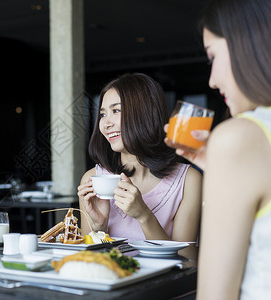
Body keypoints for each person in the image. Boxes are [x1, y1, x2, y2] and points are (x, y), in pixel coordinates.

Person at [163, 0, 271, 299]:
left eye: (212, 57)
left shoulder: (239, 138)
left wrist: (226, 162)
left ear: (246, 45)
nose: (212, 80)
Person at [77, 73, 202, 242]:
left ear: (145, 114)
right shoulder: (92, 180)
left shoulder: (188, 181)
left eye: (116, 110)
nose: (106, 124)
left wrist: (144, 216)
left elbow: (187, 261)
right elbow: (86, 262)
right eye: (103, 114)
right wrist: (99, 227)